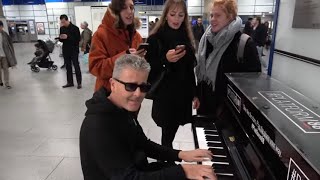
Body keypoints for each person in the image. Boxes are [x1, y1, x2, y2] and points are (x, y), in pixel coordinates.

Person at [80, 54, 217, 180]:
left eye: (144, 87)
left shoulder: (123, 108)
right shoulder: (98, 126)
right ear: (113, 84)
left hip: (136, 169)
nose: (138, 94)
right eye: (130, 86)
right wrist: (183, 171)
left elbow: (142, 144)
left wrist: (181, 154)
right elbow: (128, 178)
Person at [145, 0, 200, 150]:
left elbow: (190, 69)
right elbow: (148, 68)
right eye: (173, 14)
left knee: (173, 129)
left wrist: (194, 93)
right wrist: (165, 60)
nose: (176, 19)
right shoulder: (155, 38)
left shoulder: (186, 37)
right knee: (167, 130)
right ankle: (168, 160)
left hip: (182, 94)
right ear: (166, 15)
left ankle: (168, 158)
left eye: (181, 15)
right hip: (164, 95)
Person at [196, 0, 261, 117]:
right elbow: (202, 76)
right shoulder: (206, 40)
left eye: (218, 15)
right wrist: (197, 95)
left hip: (228, 116)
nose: (212, 19)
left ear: (230, 16)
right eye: (211, 15)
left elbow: (253, 86)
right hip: (204, 108)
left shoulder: (244, 44)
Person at [89, 0, 145, 92]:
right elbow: (95, 67)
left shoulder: (136, 36)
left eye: (131, 7)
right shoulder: (101, 35)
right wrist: (124, 58)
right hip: (108, 95)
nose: (129, 11)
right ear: (115, 11)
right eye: (124, 8)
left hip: (131, 93)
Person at [59, 14, 82, 89]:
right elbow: (61, 39)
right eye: (61, 22)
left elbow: (77, 40)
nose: (63, 23)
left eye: (63, 22)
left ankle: (79, 83)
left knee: (76, 66)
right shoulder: (62, 28)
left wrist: (68, 37)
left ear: (67, 20)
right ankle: (70, 82)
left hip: (74, 50)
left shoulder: (75, 28)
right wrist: (61, 38)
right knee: (68, 67)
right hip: (65, 50)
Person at [0, 20, 17, 89]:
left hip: (4, 55)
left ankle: (7, 83)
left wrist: (11, 54)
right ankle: (0, 81)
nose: (0, 28)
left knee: (6, 69)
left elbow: (10, 44)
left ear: (2, 27)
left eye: (1, 26)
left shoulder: (5, 34)